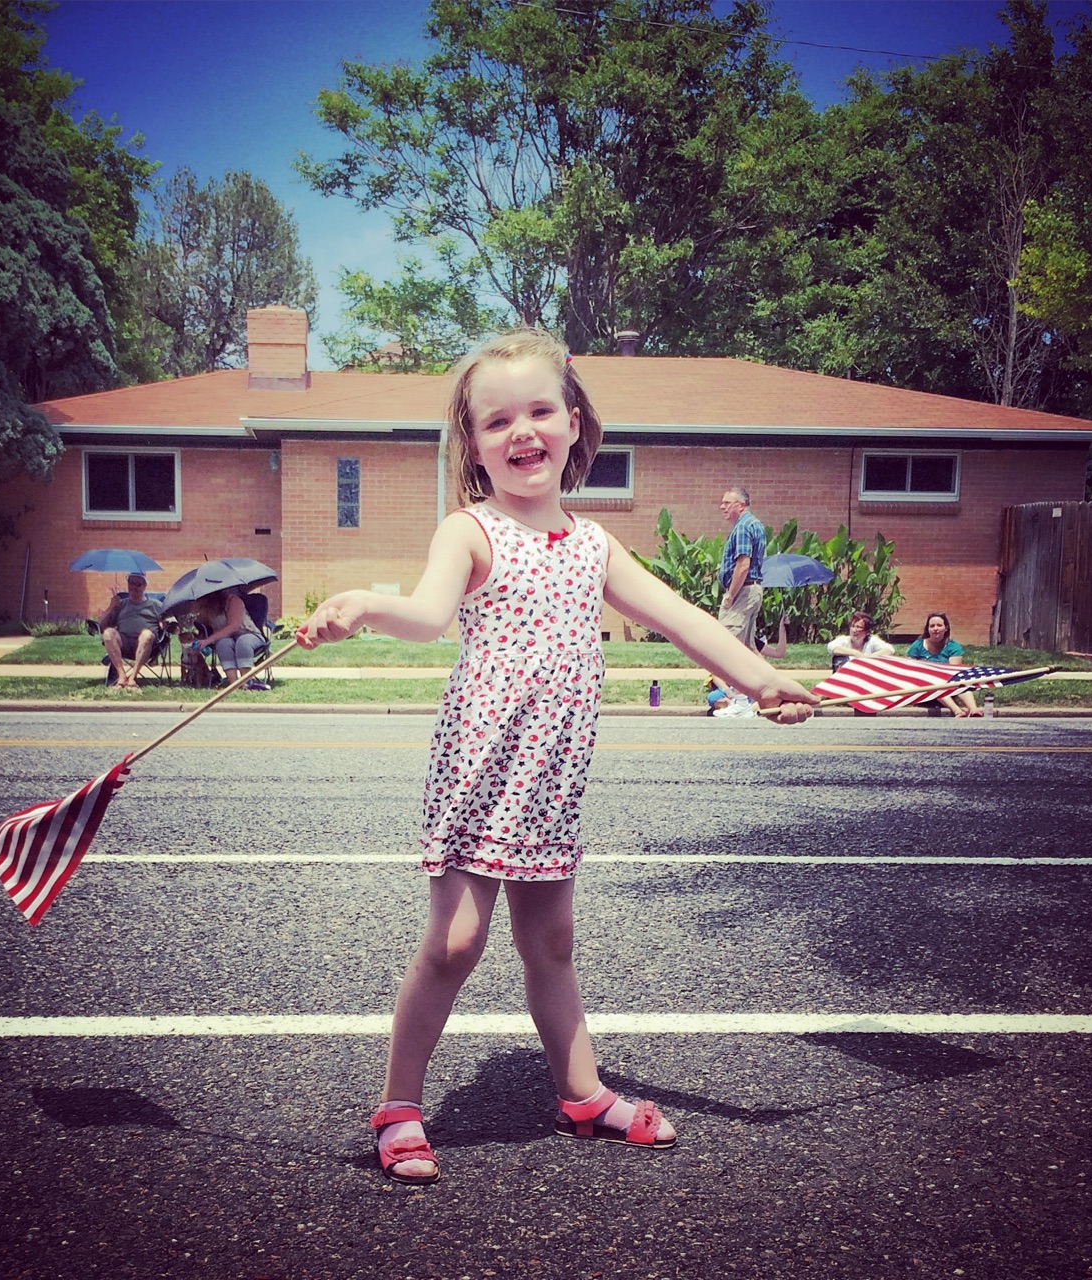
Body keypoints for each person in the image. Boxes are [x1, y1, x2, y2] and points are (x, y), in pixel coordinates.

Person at [296, 329, 817, 1187]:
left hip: (552, 781)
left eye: (540, 411)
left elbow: (684, 620)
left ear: (574, 423)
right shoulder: (470, 530)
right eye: (497, 421)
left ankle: (582, 1094)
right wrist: (359, 604)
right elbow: (427, 615)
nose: (522, 431)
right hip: (478, 773)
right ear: (473, 445)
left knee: (553, 943)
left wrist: (762, 682)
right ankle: (398, 1106)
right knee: (456, 943)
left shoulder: (595, 545)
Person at [706, 615, 788, 715]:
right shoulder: (726, 642)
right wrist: (728, 692)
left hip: (750, 688)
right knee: (712, 697)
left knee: (767, 698)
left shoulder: (752, 643)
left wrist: (782, 629)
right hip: (730, 690)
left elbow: (779, 653)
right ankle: (739, 707)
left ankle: (743, 708)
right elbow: (715, 675)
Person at [189, 588, 268, 689]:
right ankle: (234, 684)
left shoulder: (233, 601)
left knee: (243, 642)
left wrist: (208, 640)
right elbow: (204, 629)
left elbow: (233, 626)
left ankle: (246, 682)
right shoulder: (207, 609)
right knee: (223, 644)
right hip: (226, 638)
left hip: (249, 634)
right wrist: (198, 642)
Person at [717, 486, 765, 650]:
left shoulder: (743, 527)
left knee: (727, 646)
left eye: (727, 503)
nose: (722, 507)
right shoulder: (756, 524)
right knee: (747, 648)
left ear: (741, 505)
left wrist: (730, 595)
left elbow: (743, 564)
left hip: (742, 591)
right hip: (753, 590)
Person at [97, 571, 162, 690]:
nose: (134, 587)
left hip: (148, 646)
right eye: (131, 583)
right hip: (124, 644)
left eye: (138, 584)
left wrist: (165, 623)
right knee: (108, 633)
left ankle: (133, 677)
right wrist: (111, 607)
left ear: (144, 586)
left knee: (146, 634)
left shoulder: (156, 605)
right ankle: (121, 676)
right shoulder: (120, 604)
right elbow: (100, 626)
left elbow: (173, 626)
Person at [907, 610, 980, 716]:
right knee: (933, 682)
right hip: (924, 687)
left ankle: (974, 710)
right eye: (932, 626)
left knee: (962, 681)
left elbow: (954, 671)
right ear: (928, 629)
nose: (935, 628)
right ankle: (957, 711)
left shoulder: (953, 646)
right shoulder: (917, 645)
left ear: (946, 628)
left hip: (948, 684)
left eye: (939, 625)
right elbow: (910, 669)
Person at [826, 611, 896, 671]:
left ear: (867, 631)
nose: (854, 630)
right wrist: (855, 653)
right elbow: (831, 647)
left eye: (858, 627)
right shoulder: (844, 640)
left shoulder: (871, 641)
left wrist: (868, 659)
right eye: (852, 626)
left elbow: (890, 649)